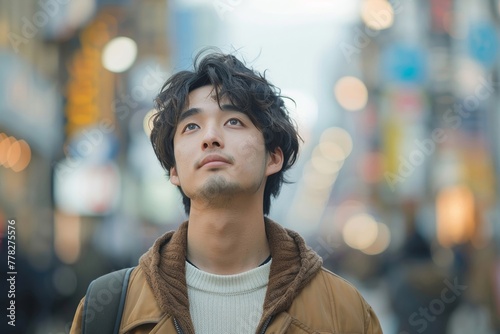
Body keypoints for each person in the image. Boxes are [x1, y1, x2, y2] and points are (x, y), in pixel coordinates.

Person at [70, 50, 383, 333]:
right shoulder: (109, 309)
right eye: (191, 127)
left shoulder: (345, 313)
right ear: (174, 169)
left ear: (273, 157)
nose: (210, 137)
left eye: (233, 121)